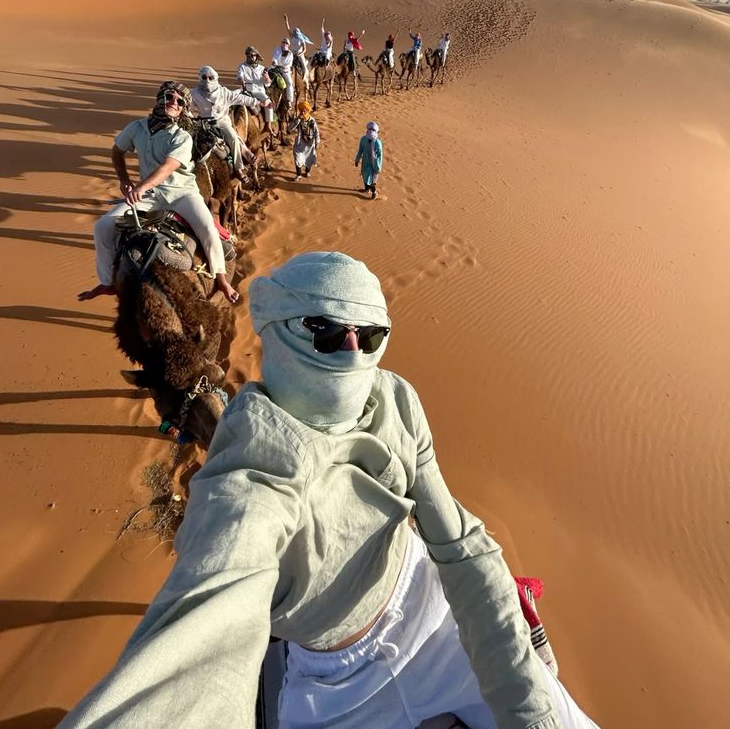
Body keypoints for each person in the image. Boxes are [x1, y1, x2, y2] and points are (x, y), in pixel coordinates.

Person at [62, 252, 598, 729]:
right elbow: (213, 611)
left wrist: (532, 711)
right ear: (276, 331)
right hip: (335, 685)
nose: (351, 352)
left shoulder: (395, 401)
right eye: (323, 330)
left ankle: (213, 264)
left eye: (369, 336)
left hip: (437, 617)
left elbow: (461, 547)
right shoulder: (251, 468)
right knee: (111, 232)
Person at [77, 80, 239, 304]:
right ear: (160, 98)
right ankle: (107, 283)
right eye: (170, 97)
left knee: (206, 228)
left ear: (182, 109)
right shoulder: (137, 128)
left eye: (180, 102)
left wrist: (141, 187)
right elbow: (117, 151)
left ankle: (221, 279)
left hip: (182, 193)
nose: (174, 102)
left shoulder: (181, 137)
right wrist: (124, 179)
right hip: (150, 195)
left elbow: (168, 167)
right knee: (103, 227)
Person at [190, 66, 261, 176]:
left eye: (210, 77)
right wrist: (192, 119)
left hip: (221, 121)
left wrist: (257, 102)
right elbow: (189, 109)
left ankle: (238, 168)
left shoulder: (224, 92)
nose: (207, 80)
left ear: (215, 78)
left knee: (233, 138)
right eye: (204, 77)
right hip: (204, 123)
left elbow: (240, 98)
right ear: (200, 78)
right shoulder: (194, 93)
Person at [236, 46, 274, 129]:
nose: (253, 57)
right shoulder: (242, 66)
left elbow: (268, 84)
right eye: (251, 55)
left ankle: (268, 125)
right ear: (247, 56)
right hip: (246, 90)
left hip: (258, 91)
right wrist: (241, 80)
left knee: (269, 103)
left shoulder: (262, 68)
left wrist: (267, 77)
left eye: (254, 55)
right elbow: (239, 76)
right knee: (233, 96)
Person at [288, 100, 320, 180]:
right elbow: (290, 129)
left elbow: (316, 131)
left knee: (309, 158)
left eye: (304, 111)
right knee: (297, 157)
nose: (302, 112)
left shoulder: (312, 120)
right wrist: (297, 121)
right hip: (300, 143)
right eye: (301, 111)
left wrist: (317, 142)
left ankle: (307, 172)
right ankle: (298, 174)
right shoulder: (298, 119)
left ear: (307, 111)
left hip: (310, 143)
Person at [355, 120, 383, 199]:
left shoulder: (377, 143)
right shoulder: (364, 139)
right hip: (365, 163)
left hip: (373, 165)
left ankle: (374, 192)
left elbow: (379, 156)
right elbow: (360, 150)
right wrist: (357, 160)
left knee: (371, 179)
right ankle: (366, 189)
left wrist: (378, 167)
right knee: (365, 176)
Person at [284, 13, 313, 90]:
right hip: (292, 54)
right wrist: (286, 21)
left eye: (295, 32)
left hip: (299, 54)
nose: (294, 33)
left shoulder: (301, 40)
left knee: (304, 66)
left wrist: (301, 53)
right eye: (294, 32)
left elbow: (305, 49)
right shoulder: (293, 37)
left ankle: (305, 80)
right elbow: (288, 29)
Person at [271, 37, 296, 105]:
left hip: (285, 70)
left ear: (288, 45)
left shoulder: (290, 54)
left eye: (286, 43)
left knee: (289, 83)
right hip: (276, 68)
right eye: (283, 42)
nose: (285, 44)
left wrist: (284, 66)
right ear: (281, 43)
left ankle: (289, 100)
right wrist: (274, 61)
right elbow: (274, 58)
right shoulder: (277, 50)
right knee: (266, 77)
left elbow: (289, 64)